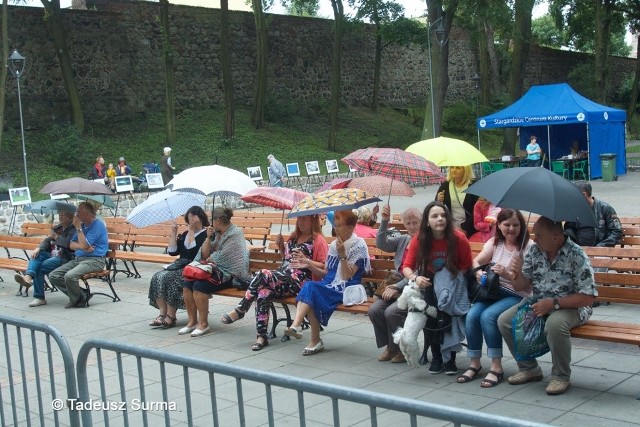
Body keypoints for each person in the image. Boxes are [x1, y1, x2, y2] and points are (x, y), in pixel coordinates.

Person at [498, 216, 596, 395]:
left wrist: (554, 304)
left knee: (555, 324)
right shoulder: (535, 251)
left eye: (539, 236)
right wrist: (515, 273)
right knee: (504, 320)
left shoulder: (576, 255)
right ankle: (529, 369)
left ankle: (561, 376)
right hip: (540, 301)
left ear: (556, 238)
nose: (534, 240)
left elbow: (588, 298)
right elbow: (521, 286)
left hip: (572, 307)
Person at [220, 215, 329, 351]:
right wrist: (282, 247)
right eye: (299, 219)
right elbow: (286, 260)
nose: (301, 222)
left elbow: (324, 266)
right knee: (263, 292)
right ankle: (261, 336)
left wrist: (306, 261)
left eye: (304, 219)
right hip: (284, 277)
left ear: (312, 221)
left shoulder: (318, 240)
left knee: (262, 274)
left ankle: (240, 309)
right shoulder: (294, 237)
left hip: (300, 281)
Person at [457, 209, 533, 388]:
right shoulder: (495, 242)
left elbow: (527, 284)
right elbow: (476, 261)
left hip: (518, 294)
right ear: (499, 225)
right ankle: (474, 363)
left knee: (488, 316)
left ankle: (496, 366)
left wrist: (507, 273)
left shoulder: (528, 247)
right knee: (472, 315)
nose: (511, 229)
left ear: (522, 227)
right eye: (507, 225)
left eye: (516, 225)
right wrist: (479, 272)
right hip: (494, 291)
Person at [284, 210, 371, 355]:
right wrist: (309, 265)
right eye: (335, 226)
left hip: (346, 287)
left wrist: (342, 254)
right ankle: (301, 328)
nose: (335, 230)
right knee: (310, 287)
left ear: (350, 227)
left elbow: (346, 276)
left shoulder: (359, 245)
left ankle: (306, 332)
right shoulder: (334, 245)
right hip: (330, 283)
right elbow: (326, 273)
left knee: (312, 290)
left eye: (339, 226)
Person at [401, 201, 472, 375]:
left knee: (448, 315)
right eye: (434, 216)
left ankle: (450, 359)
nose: (440, 219)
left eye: (442, 215)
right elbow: (407, 267)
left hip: (453, 281)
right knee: (431, 317)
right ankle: (436, 357)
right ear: (427, 221)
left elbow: (466, 265)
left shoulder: (458, 238)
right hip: (428, 280)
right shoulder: (420, 239)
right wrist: (415, 278)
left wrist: (449, 282)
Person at [180, 207, 250, 337]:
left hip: (232, 274)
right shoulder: (217, 233)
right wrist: (208, 238)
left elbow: (225, 257)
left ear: (218, 220)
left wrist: (211, 258)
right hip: (217, 270)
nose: (210, 222)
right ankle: (192, 322)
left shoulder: (235, 233)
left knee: (199, 286)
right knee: (187, 283)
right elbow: (205, 254)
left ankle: (203, 324)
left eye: (212, 219)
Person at [369, 205, 422, 363]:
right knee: (375, 310)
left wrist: (397, 287)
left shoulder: (425, 243)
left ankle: (401, 348)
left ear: (422, 222)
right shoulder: (403, 239)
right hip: (397, 283)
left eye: (415, 222)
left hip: (414, 286)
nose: (412, 226)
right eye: (408, 223)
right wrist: (384, 221)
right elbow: (381, 244)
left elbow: (420, 272)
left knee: (391, 312)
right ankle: (391, 347)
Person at [148, 206, 209, 329]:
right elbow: (172, 251)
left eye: (193, 217)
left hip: (193, 267)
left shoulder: (206, 234)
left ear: (201, 217)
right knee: (157, 277)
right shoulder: (185, 233)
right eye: (189, 217)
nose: (190, 220)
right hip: (180, 264)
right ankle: (162, 314)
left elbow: (193, 252)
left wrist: (191, 231)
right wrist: (174, 232)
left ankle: (171, 316)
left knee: (170, 278)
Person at [49, 202, 109, 309]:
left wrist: (78, 228)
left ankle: (75, 300)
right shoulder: (82, 226)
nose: (76, 214)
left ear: (88, 214)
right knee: (54, 275)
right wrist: (82, 246)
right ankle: (81, 295)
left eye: (79, 211)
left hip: (94, 261)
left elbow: (84, 244)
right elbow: (72, 245)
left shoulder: (97, 225)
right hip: (78, 259)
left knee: (70, 276)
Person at [16, 210, 76, 307]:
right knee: (37, 255)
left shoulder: (73, 230)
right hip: (52, 254)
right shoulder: (58, 228)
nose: (60, 217)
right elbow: (47, 241)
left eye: (63, 215)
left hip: (64, 257)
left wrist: (56, 237)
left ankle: (39, 297)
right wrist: (38, 248)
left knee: (39, 267)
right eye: (60, 215)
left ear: (70, 218)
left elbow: (68, 245)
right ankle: (28, 277)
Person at [564, 181, 622, 247]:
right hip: (579, 251)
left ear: (584, 195)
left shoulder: (605, 208)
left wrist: (600, 246)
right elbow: (568, 230)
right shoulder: (575, 210)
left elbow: (617, 232)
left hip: (601, 250)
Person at [435, 165, 479, 237]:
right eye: (452, 167)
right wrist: (439, 200)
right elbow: (435, 207)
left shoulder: (474, 185)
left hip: (471, 227)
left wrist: (464, 227)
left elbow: (478, 211)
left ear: (465, 170)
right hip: (450, 227)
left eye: (458, 168)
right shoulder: (446, 185)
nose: (454, 170)